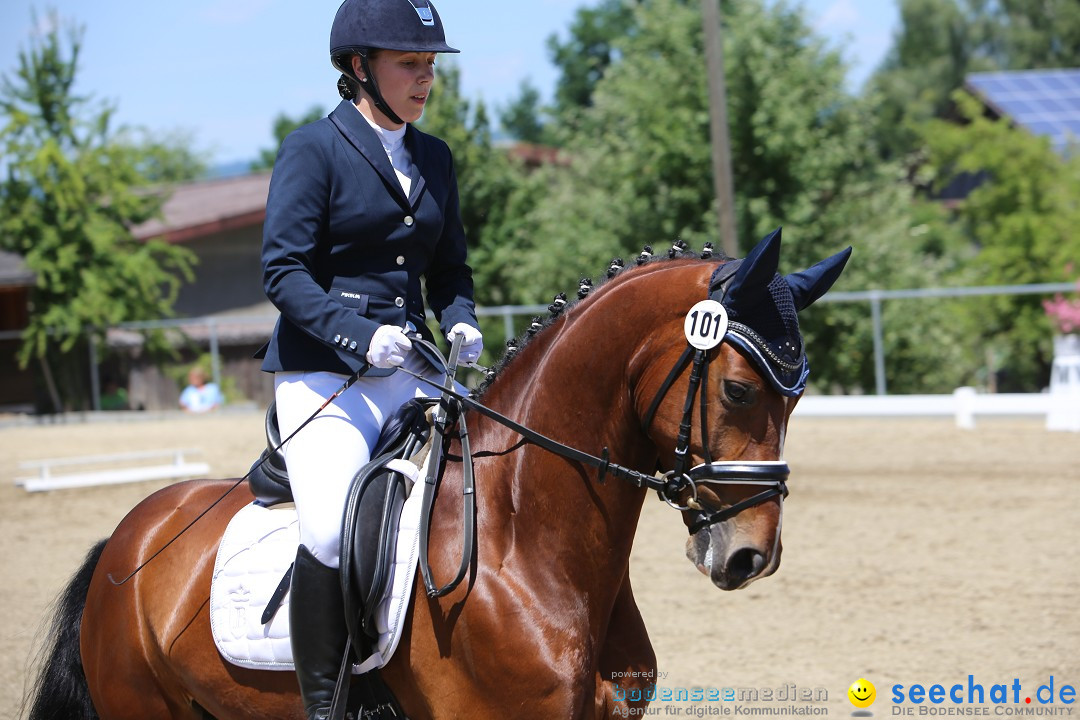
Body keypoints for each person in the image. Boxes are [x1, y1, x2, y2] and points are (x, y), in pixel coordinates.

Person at [256, 1, 483, 717]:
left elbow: (448, 271)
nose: (426, 79)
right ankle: (330, 703)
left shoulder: (434, 157)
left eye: (430, 66)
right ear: (360, 69)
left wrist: (462, 320)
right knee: (328, 528)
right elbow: (283, 271)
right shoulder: (312, 149)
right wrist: (355, 334)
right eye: (410, 65)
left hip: (412, 368)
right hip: (326, 375)